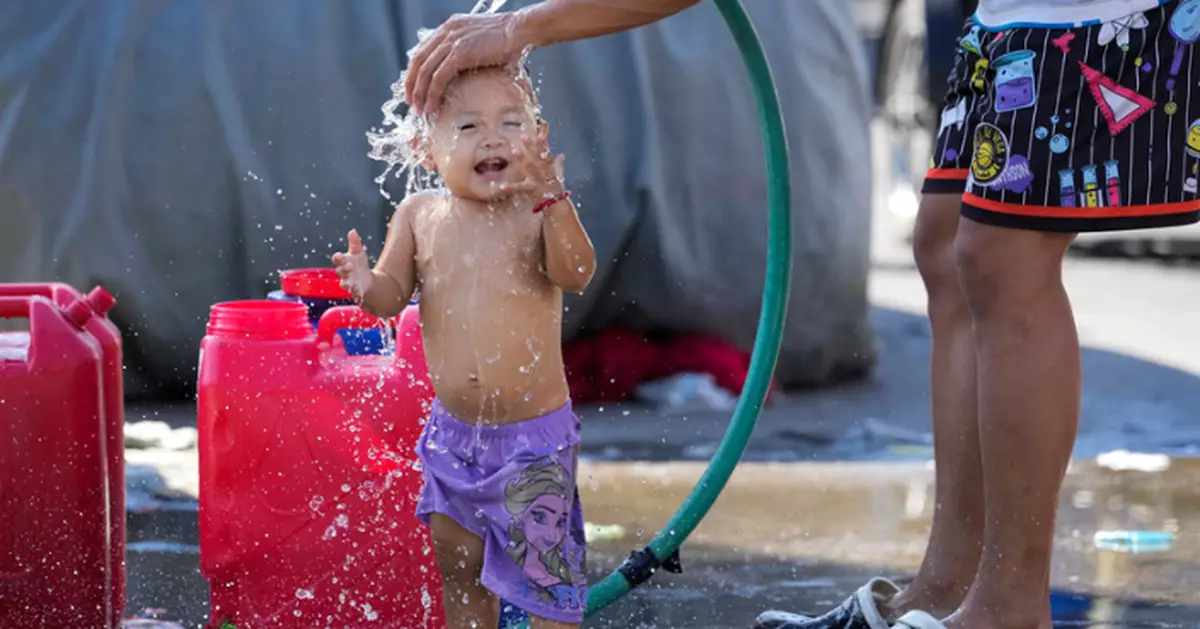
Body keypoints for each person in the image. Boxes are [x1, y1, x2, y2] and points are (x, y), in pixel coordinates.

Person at [407, 1, 1200, 629]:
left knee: (1000, 258)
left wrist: (525, 24)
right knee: (946, 244)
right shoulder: (423, 214)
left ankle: (1009, 603)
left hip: (1084, 8)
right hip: (1011, 13)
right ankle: (948, 581)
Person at [333, 63, 597, 629]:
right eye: (469, 127)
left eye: (510, 122)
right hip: (454, 438)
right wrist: (363, 283)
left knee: (545, 583)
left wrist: (556, 199)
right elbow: (390, 293)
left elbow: (577, 274)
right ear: (426, 150)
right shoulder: (419, 216)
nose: (494, 137)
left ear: (537, 138)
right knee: (461, 569)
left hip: (533, 445)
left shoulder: (536, 212)